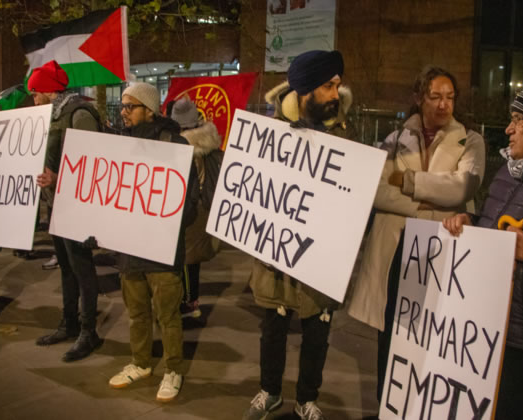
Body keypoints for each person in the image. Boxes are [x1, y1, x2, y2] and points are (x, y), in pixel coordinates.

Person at [345, 66, 486, 407]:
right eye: (435, 96)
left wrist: (409, 184)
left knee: (432, 337)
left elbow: (463, 187)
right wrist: (431, 206)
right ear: (419, 98)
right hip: (395, 254)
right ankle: (387, 407)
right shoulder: (395, 140)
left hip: (439, 256)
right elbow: (376, 191)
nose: (444, 105)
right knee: (391, 336)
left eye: (450, 97)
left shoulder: (471, 139)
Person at [443, 70, 523, 420]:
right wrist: (470, 227)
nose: (509, 128)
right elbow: (493, 228)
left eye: (519, 120)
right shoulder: (509, 171)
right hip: (488, 323)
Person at [243, 50, 351, 420]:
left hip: (320, 261)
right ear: (304, 91)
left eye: (337, 84)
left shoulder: (344, 136)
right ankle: (269, 391)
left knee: (317, 334)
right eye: (327, 85)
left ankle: (307, 399)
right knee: (272, 330)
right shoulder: (268, 136)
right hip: (276, 258)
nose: (336, 93)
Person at [107, 82, 199, 403]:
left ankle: (173, 369)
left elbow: (190, 203)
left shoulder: (173, 145)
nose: (124, 112)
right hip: (129, 248)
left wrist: (163, 224)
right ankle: (141, 363)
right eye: (122, 106)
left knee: (168, 315)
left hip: (160, 250)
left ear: (149, 110)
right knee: (136, 313)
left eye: (130, 106)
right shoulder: (120, 146)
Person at [31, 60, 104, 362]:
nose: (33, 98)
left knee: (82, 269)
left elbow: (92, 164)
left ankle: (89, 332)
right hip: (57, 203)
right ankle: (70, 323)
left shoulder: (79, 114)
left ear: (49, 90)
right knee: (66, 266)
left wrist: (58, 179)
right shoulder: (56, 115)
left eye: (35, 92)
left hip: (77, 206)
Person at [170, 97, 222, 319]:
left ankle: (189, 303)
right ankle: (192, 300)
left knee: (185, 259)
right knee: (193, 261)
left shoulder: (183, 144)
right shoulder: (207, 140)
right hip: (203, 207)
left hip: (189, 207)